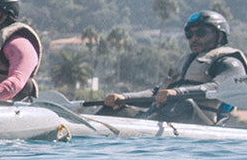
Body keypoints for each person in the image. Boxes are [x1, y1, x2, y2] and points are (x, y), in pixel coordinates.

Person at [98, 11, 245, 125]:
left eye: (201, 33)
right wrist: (124, 98)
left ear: (220, 36)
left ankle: (142, 130)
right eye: (190, 34)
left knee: (184, 104)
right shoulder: (185, 62)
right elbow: (158, 92)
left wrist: (176, 92)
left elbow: (218, 87)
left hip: (204, 122)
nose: (194, 38)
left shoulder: (229, 62)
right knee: (115, 108)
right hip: (164, 115)